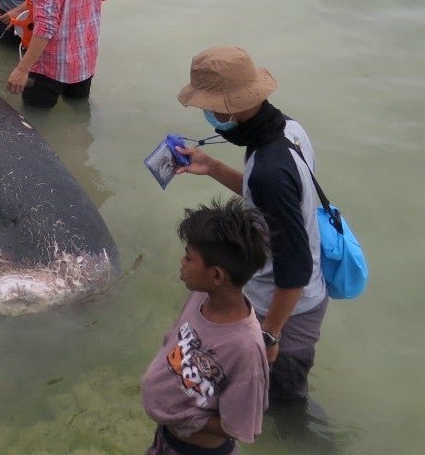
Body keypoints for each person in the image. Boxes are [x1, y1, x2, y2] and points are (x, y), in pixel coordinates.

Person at [173, 46, 329, 407]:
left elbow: (296, 269)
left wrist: (271, 335)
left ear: (227, 106)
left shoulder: (270, 171)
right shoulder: (288, 129)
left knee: (282, 409)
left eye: (208, 107)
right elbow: (269, 199)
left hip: (288, 310)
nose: (208, 114)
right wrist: (211, 166)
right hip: (289, 296)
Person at [140, 197, 271, 455]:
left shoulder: (245, 348)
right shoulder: (201, 296)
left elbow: (240, 424)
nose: (182, 263)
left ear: (216, 276)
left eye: (189, 258)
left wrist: (187, 416)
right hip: (167, 438)